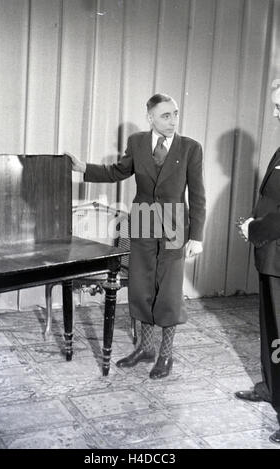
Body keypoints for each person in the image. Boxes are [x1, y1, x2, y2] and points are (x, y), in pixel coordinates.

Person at [66, 93, 206, 379]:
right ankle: (146, 349)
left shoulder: (191, 148)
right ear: (150, 117)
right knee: (142, 286)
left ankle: (165, 356)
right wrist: (84, 169)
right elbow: (119, 171)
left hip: (175, 224)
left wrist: (197, 236)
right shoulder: (138, 142)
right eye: (165, 115)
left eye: (175, 114)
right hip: (142, 221)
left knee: (167, 291)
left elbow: (199, 195)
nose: (172, 121)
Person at [235, 79, 280, 444]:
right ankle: (271, 387)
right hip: (271, 255)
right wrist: (254, 226)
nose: (276, 113)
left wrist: (255, 228)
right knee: (271, 331)